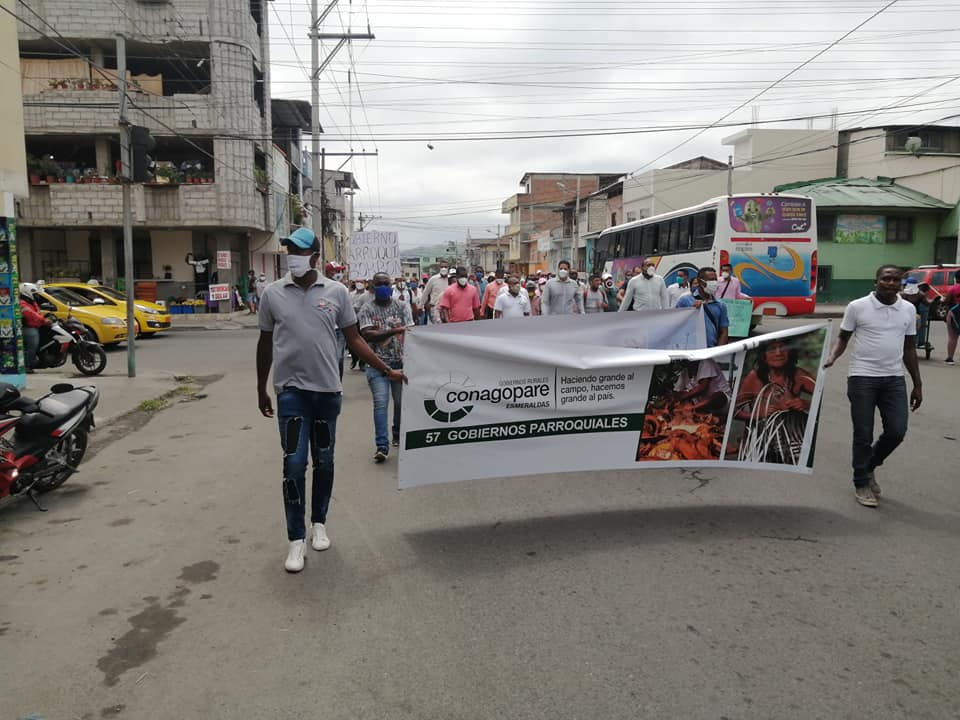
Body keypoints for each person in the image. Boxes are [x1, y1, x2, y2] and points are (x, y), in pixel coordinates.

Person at [256, 227, 406, 573]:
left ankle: (318, 522)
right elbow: (265, 343)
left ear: (314, 257)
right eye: (289, 250)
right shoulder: (273, 294)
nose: (293, 256)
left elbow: (355, 340)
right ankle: (296, 539)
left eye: (299, 251)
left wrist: (387, 370)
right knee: (294, 464)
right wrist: (260, 387)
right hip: (291, 392)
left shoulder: (336, 292)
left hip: (326, 392)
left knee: (324, 461)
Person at [823, 264, 923, 508]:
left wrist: (917, 384)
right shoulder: (857, 307)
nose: (891, 283)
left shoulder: (908, 309)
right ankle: (861, 483)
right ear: (876, 281)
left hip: (894, 379)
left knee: (897, 431)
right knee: (863, 434)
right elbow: (843, 338)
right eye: (886, 279)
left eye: (896, 280)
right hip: (862, 377)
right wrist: (832, 356)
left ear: (901, 284)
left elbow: (910, 348)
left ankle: (869, 466)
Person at [359, 272, 414, 462]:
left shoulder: (402, 306)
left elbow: (410, 331)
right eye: (379, 284)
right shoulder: (366, 308)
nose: (383, 287)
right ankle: (382, 446)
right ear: (373, 287)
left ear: (391, 286)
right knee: (381, 404)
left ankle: (397, 433)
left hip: (400, 363)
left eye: (386, 283)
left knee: (400, 403)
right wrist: (394, 330)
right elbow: (367, 334)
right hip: (377, 364)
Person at [734, 339, 816, 465]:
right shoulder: (754, 377)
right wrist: (757, 415)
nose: (778, 353)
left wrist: (807, 404)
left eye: (783, 348)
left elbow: (824, 397)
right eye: (772, 349)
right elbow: (733, 411)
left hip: (795, 440)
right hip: (762, 440)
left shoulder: (799, 375)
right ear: (763, 355)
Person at [675, 267, 730, 347]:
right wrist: (692, 311)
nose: (714, 283)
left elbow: (724, 332)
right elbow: (675, 326)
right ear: (700, 282)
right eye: (711, 280)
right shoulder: (685, 301)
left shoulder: (720, 305)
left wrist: (717, 351)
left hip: (711, 350)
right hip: (690, 350)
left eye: (715, 280)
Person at [324, 261, 348, 380]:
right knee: (327, 359)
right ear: (329, 273)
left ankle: (338, 383)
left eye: (340, 271)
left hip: (339, 330)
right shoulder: (321, 288)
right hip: (325, 329)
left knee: (339, 357)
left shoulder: (343, 289)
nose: (340, 273)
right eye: (337, 271)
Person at [19, 283, 51, 374]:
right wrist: (44, 320)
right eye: (34, 294)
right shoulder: (22, 303)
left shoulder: (32, 302)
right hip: (28, 327)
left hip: (36, 325)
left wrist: (46, 318)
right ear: (27, 292)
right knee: (33, 345)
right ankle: (27, 365)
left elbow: (38, 313)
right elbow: (31, 314)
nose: (36, 296)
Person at [944, 270, 960, 364]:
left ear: (956, 278)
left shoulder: (953, 289)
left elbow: (946, 301)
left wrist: (943, 300)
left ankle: (950, 358)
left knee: (952, 337)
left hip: (954, 313)